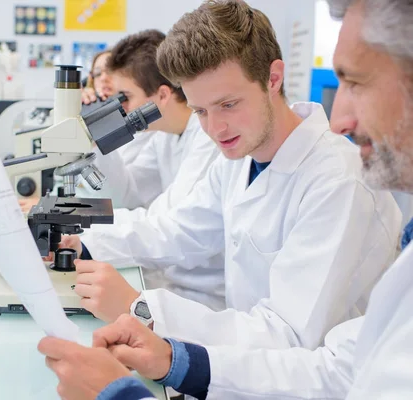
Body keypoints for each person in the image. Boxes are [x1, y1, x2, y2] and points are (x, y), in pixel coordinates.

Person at [39, 0, 413, 398]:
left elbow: (287, 336)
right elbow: (178, 229)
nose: (215, 128)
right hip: (249, 370)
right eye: (200, 110)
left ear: (273, 78)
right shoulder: (240, 155)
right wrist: (84, 244)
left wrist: (141, 306)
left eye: (228, 104)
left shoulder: (338, 181)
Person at [77, 30, 225, 309]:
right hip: (167, 279)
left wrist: (85, 240)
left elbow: (170, 225)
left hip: (201, 297)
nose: (123, 108)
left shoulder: (208, 139)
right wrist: (97, 138)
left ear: (162, 95)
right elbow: (128, 196)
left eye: (127, 97)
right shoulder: (164, 135)